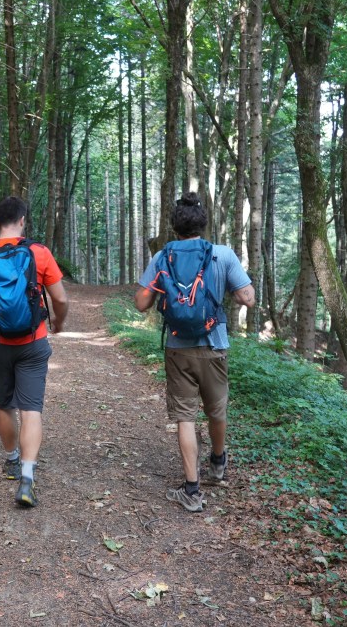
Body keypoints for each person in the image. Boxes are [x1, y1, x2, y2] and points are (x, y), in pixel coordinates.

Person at [134, 192, 255, 512]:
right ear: (203, 224)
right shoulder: (223, 254)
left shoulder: (162, 257)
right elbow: (247, 298)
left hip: (178, 348)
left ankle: (192, 490)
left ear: (174, 227)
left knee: (185, 417)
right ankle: (218, 462)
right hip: (214, 345)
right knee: (217, 410)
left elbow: (141, 302)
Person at [0, 196, 69, 508]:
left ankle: (11, 458)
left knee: (5, 404)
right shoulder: (38, 252)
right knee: (31, 408)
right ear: (22, 220)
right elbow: (60, 299)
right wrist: (58, 322)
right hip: (33, 342)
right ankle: (26, 476)